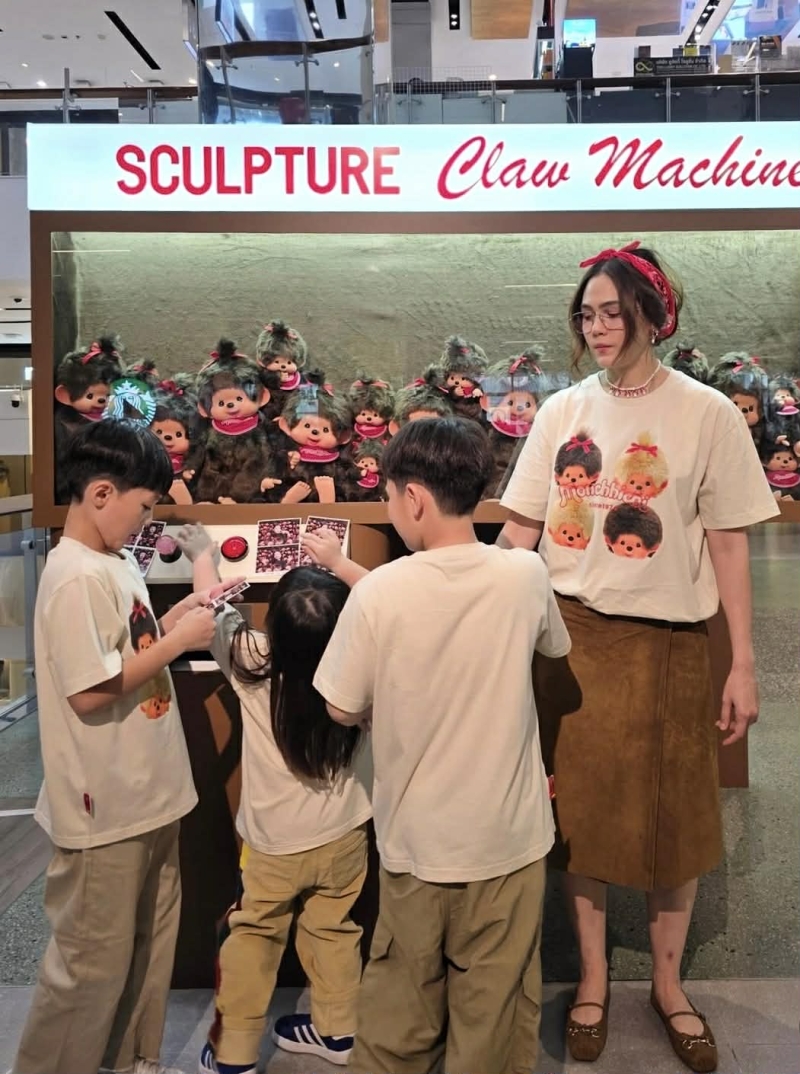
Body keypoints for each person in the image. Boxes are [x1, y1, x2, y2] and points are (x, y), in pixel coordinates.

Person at [498, 242, 780, 1073]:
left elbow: (729, 544)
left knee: (675, 822)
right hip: (571, 639)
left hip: (670, 647)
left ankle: (668, 986)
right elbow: (520, 530)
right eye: (587, 314)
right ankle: (591, 980)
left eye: (614, 312)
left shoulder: (706, 412)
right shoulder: (562, 411)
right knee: (579, 820)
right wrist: (458, 603)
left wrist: (743, 662)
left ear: (654, 316)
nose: (598, 327)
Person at [313, 417, 571, 1074]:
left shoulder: (380, 591)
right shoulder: (524, 574)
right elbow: (553, 646)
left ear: (415, 498)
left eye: (388, 498)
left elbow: (340, 705)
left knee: (400, 1015)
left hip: (417, 845)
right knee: (495, 1021)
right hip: (509, 841)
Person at [12, 420, 239, 1074]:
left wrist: (172, 623)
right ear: (102, 494)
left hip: (148, 792)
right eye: (145, 506)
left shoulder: (111, 563)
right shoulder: (75, 575)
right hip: (104, 804)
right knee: (89, 964)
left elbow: (123, 648)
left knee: (147, 945)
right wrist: (176, 644)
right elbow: (89, 692)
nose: (148, 520)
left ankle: (135, 1058)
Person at [176, 524, 372, 1074]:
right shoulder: (367, 668)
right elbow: (399, 608)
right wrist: (340, 562)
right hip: (346, 834)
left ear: (275, 628)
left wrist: (202, 554)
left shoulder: (252, 661)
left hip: (271, 847)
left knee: (254, 937)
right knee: (334, 931)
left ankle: (235, 1052)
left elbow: (213, 611)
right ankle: (338, 1031)